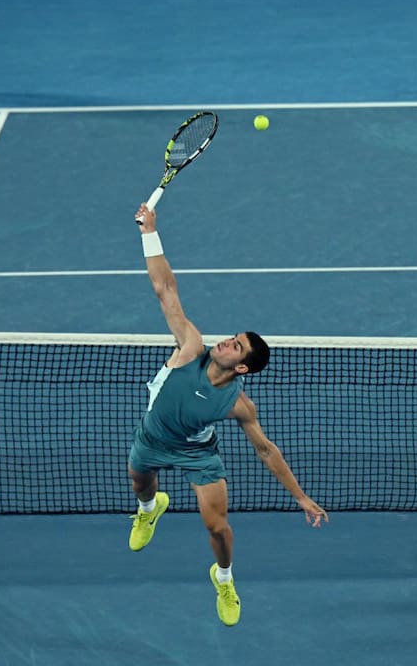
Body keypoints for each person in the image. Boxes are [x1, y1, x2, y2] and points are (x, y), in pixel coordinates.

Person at [128, 202, 329, 626]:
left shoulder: (239, 404)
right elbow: (165, 291)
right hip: (151, 438)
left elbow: (266, 450)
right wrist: (150, 233)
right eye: (232, 337)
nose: (225, 342)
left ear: (242, 368)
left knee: (218, 527)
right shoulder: (190, 348)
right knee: (141, 483)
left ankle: (223, 578)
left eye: (236, 346)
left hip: (198, 454)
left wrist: (300, 497)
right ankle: (150, 508)